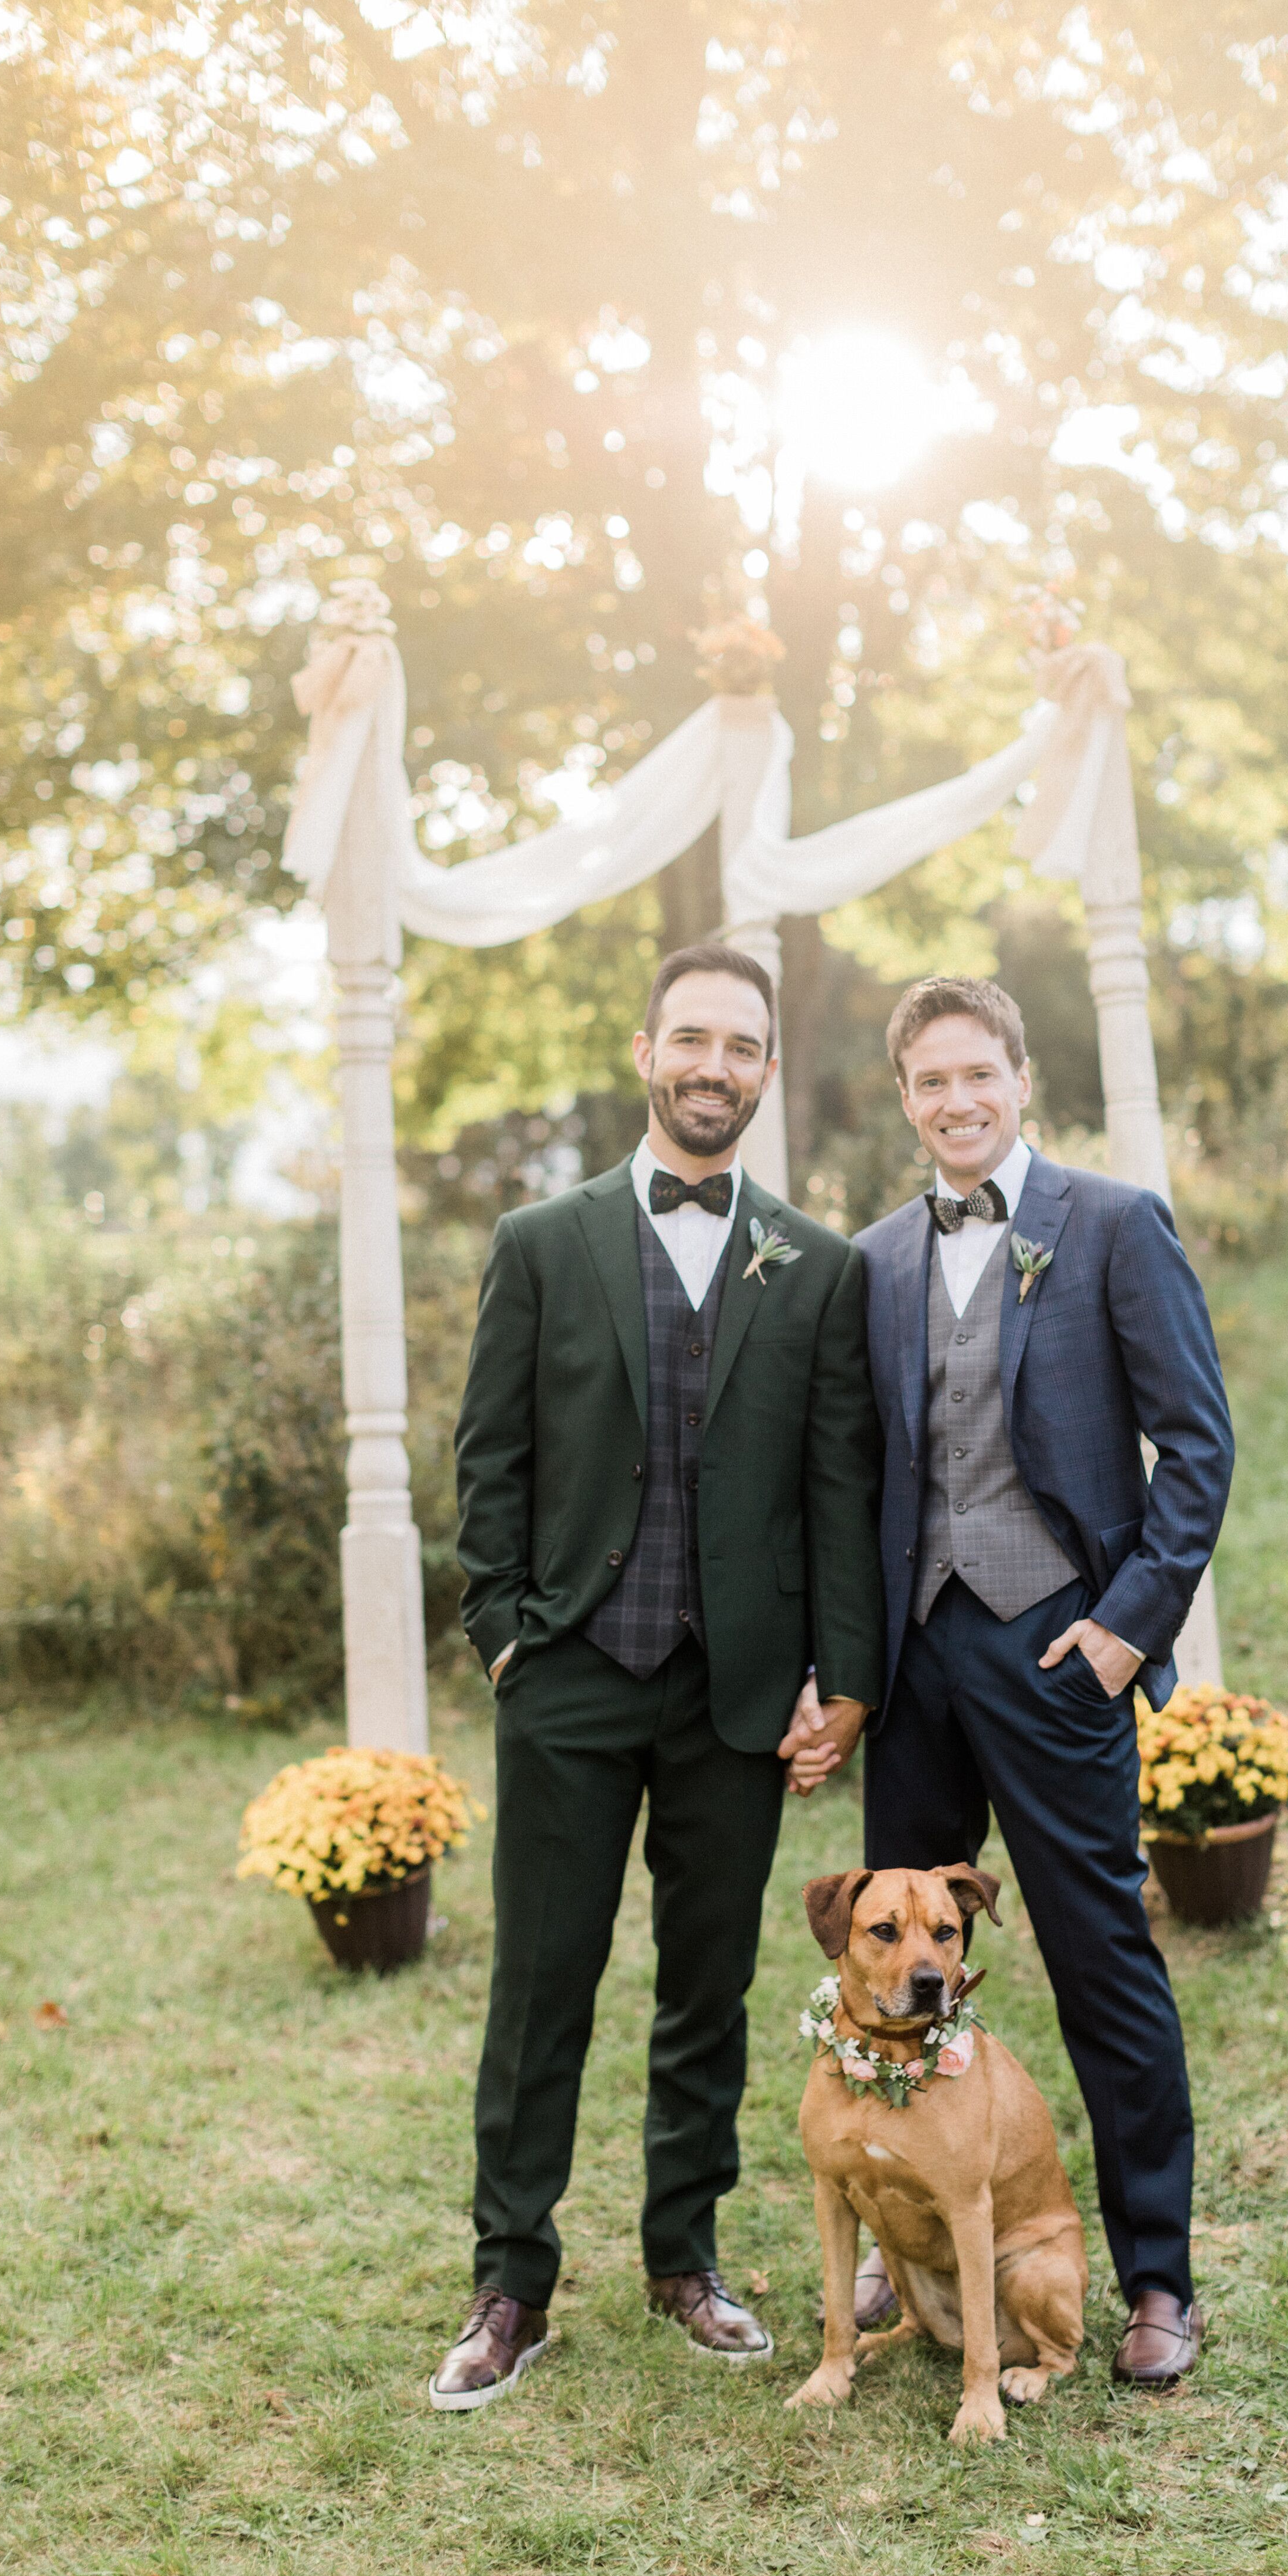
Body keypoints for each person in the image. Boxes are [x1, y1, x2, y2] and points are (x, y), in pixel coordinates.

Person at [432, 945, 885, 2409]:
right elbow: (490, 1459)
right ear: (645, 1053)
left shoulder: (813, 1264)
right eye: (690, 1038)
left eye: (741, 1046)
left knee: (709, 1983)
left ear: (765, 1071)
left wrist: (844, 1679)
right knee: (541, 1985)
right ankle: (512, 2285)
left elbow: (838, 1486)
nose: (713, 1065)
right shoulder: (542, 1240)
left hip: (735, 1695)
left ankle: (685, 2258)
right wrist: (504, 1631)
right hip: (569, 1675)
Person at [853, 975, 1233, 2389]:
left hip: (1062, 1649)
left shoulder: (1116, 1226)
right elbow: (864, 1474)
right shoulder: (880, 1257)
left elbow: (1199, 1445)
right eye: (929, 1082)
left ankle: (1154, 2280)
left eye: (977, 1074)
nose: (956, 1101)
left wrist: (1130, 1627)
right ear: (906, 1100)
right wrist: (853, 1662)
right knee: (901, 1965)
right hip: (914, 1667)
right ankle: (913, 2247)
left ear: (1022, 1077)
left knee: (1099, 1964)